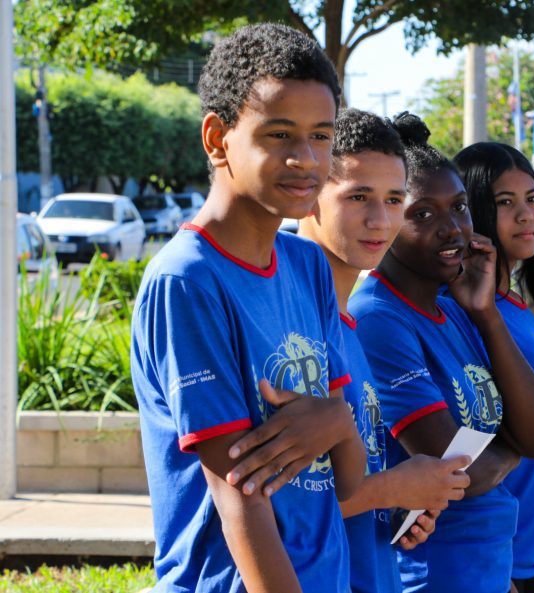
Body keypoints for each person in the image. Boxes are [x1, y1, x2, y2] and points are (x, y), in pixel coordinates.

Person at [130, 24, 366, 593]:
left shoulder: (307, 265)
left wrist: (337, 418)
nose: (306, 159)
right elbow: (239, 494)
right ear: (218, 138)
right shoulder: (187, 281)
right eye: (279, 134)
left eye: (322, 135)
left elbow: (348, 471)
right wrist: (332, 417)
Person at [349, 112, 534, 593]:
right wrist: (512, 446)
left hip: (487, 566)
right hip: (432, 575)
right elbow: (457, 469)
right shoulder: (380, 318)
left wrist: (485, 313)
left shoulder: (457, 308)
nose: (451, 229)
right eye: (421, 214)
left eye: (459, 208)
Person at [298, 107, 473, 593]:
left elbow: (345, 484)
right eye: (358, 197)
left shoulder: (346, 325)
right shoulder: (286, 326)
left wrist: (399, 504)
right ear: (310, 196)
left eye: (395, 199)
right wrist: (392, 487)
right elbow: (264, 500)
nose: (381, 219)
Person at [454, 141, 534, 593]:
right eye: (505, 202)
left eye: (533, 199)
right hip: (492, 559)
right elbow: (474, 445)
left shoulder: (514, 305)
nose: (526, 215)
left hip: (529, 552)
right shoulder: (463, 311)